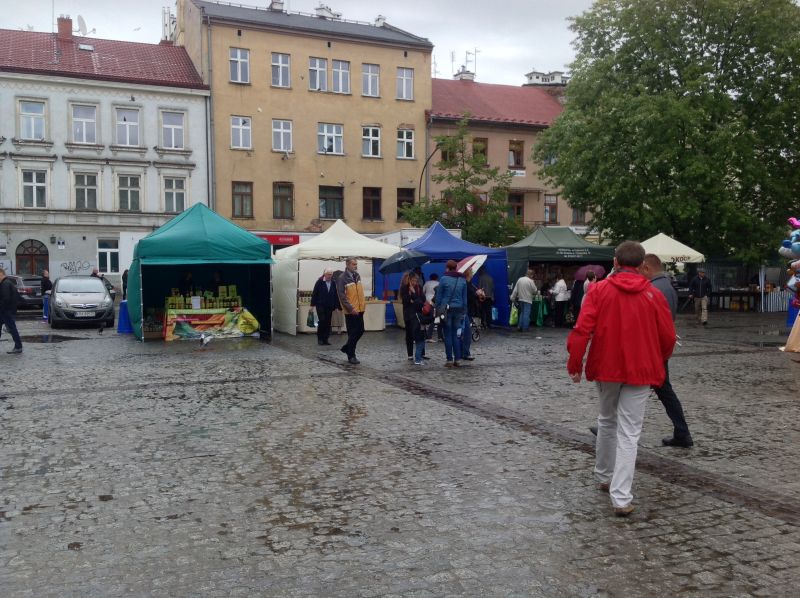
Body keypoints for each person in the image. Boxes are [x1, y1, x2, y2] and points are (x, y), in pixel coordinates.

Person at [567, 241, 676, 517]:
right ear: (642, 266)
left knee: (607, 420)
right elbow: (667, 337)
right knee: (630, 432)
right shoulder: (653, 295)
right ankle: (621, 497)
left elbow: (582, 329)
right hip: (641, 369)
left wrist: (575, 362)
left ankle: (604, 476)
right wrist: (658, 362)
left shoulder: (599, 290)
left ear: (615, 262)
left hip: (607, 366)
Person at [640, 254, 694, 447]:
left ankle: (610, 428)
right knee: (664, 392)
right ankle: (682, 432)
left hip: (652, 350)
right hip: (659, 349)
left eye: (640, 270)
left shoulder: (654, 288)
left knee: (630, 389)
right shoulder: (667, 286)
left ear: (646, 267)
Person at [435, 260, 467, 367]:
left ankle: (449, 360)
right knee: (456, 335)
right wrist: (464, 312)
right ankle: (457, 359)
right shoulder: (462, 280)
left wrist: (437, 309)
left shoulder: (444, 279)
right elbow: (464, 298)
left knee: (447, 335)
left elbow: (439, 297)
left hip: (446, 310)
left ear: (448, 268)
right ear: (456, 268)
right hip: (459, 310)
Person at [336, 258, 366, 365]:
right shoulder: (342, 278)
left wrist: (362, 305)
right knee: (352, 333)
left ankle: (347, 347)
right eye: (353, 264)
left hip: (360, 309)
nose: (355, 266)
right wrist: (350, 308)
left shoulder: (357, 276)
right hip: (351, 311)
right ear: (347, 265)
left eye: (356, 264)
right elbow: (342, 296)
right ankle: (351, 355)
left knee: (361, 330)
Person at [399, 271, 428, 364]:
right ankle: (410, 355)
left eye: (416, 280)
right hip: (408, 315)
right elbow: (405, 301)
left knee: (420, 334)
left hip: (419, 315)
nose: (415, 282)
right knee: (409, 334)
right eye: (413, 280)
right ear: (409, 280)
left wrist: (414, 295)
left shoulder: (419, 288)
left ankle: (421, 354)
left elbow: (422, 300)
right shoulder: (404, 288)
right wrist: (411, 297)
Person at [310, 268, 340, 346]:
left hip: (329, 305)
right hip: (320, 305)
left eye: (331, 274)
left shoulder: (333, 282)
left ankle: (325, 339)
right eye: (328, 274)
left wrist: (337, 306)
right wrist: (312, 305)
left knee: (328, 322)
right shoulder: (319, 282)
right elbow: (315, 294)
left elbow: (335, 295)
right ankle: (320, 338)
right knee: (322, 321)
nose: (330, 276)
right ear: (325, 274)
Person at [0, 268, 23, 354]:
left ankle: (18, 347)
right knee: (11, 328)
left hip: (6, 311)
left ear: (1, 274)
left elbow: (5, 299)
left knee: (12, 328)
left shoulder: (5, 284)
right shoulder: (8, 283)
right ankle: (18, 346)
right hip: (6, 310)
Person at [460, 268, 480, 361]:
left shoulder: (469, 283)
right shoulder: (466, 284)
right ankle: (465, 353)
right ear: (468, 273)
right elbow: (468, 297)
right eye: (471, 272)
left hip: (468, 310)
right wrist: (476, 294)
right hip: (465, 310)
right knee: (467, 332)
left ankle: (462, 352)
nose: (473, 273)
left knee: (463, 332)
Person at [422, 273, 440, 340]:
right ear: (437, 278)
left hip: (427, 302)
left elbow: (423, 292)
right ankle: (435, 334)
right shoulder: (438, 283)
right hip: (435, 303)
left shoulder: (427, 283)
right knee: (435, 318)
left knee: (428, 316)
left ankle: (427, 330)